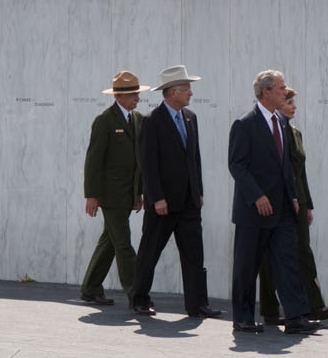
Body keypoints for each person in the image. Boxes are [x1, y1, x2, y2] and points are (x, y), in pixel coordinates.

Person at [227, 69, 315, 335]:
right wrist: (257, 196)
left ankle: (296, 317)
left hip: (284, 209)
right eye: (280, 88)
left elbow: (286, 166)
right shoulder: (244, 124)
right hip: (254, 211)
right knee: (247, 265)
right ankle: (242, 318)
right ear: (265, 92)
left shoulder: (283, 123)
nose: (285, 91)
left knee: (287, 262)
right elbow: (237, 166)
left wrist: (294, 197)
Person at [130, 64, 221, 319]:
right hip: (163, 203)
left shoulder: (191, 118)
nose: (191, 93)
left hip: (189, 202)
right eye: (186, 89)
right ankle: (139, 299)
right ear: (172, 93)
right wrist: (156, 197)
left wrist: (199, 191)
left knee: (194, 256)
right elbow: (148, 164)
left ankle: (197, 304)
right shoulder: (152, 121)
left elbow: (195, 159)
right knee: (150, 251)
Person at [257, 85, 328, 324]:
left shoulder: (295, 133)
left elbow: (301, 173)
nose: (294, 107)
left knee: (303, 252)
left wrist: (307, 203)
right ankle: (270, 308)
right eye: (289, 103)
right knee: (269, 256)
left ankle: (314, 304)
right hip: (279, 200)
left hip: (297, 201)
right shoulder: (272, 131)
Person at [80, 69, 150, 307]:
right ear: (118, 97)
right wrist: (91, 195)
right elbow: (93, 160)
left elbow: (139, 161)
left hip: (127, 194)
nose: (137, 98)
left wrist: (138, 192)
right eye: (132, 95)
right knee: (123, 243)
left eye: (137, 94)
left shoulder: (138, 119)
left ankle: (90, 287)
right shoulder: (105, 121)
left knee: (110, 241)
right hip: (110, 195)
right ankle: (136, 294)